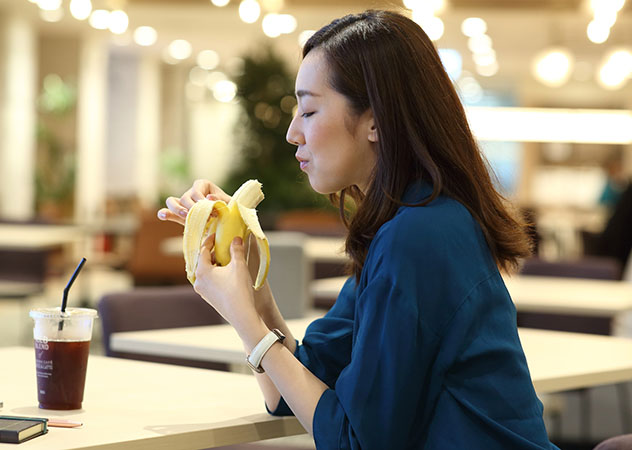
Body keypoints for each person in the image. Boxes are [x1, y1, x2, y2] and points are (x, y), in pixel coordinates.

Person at [158, 9, 557, 449]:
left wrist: (245, 319)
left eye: (308, 110)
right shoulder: (405, 224)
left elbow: (355, 441)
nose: (293, 133)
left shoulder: (420, 235)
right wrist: (249, 278)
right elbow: (294, 392)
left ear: (375, 121)